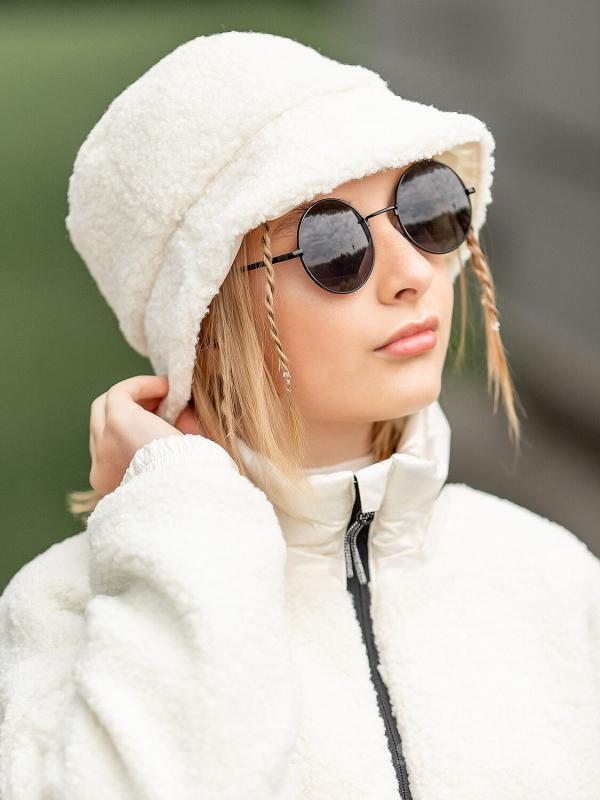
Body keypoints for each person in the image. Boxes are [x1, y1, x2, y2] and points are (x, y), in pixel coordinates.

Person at [1, 30, 598, 800]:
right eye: (332, 244)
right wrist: (182, 521)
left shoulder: (547, 579)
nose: (411, 274)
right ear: (208, 314)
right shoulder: (65, 618)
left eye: (426, 209)